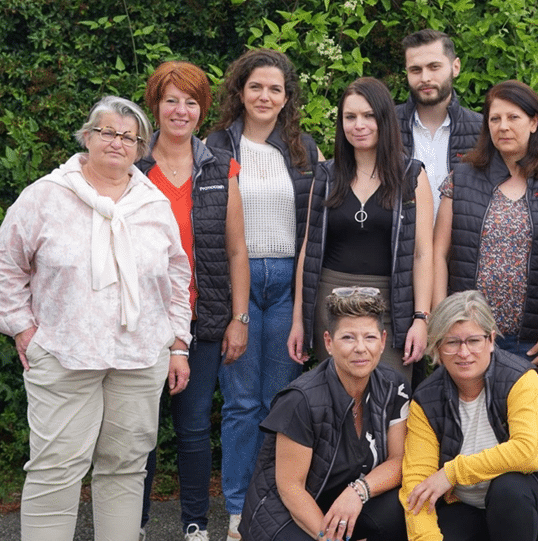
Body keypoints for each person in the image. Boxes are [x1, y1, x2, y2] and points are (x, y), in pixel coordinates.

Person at [0, 96, 191, 541]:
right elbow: (4, 266)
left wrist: (178, 343)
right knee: (55, 468)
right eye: (107, 132)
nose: (117, 142)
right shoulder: (45, 196)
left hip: (139, 358)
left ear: (141, 147)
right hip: (65, 354)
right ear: (88, 136)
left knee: (124, 468)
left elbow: (177, 278)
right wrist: (22, 327)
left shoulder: (153, 204)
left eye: (128, 136)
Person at [206, 48, 322, 541]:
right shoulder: (214, 146)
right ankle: (237, 508)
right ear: (240, 90)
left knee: (282, 401)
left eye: (275, 88)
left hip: (287, 283)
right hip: (241, 280)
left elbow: (315, 226)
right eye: (256, 86)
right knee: (240, 404)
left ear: (287, 97)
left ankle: (274, 503)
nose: (265, 96)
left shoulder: (304, 148)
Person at [137, 61, 249, 541]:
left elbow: (236, 248)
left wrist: (239, 317)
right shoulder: (133, 167)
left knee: (194, 429)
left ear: (202, 110)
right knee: (137, 431)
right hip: (139, 321)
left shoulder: (219, 167)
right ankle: (133, 524)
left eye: (191, 101)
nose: (180, 110)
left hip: (203, 320)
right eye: (171, 100)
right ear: (155, 106)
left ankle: (195, 525)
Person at [401, 290, 538, 541]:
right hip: (467, 507)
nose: (464, 353)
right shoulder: (426, 398)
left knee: (508, 489)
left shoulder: (521, 379)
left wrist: (451, 473)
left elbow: (528, 453)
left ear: (490, 340)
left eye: (474, 340)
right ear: (438, 347)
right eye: (452, 342)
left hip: (528, 508)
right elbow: (417, 483)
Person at [288, 77, 434, 383]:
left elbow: (422, 253)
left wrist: (421, 318)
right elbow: (308, 249)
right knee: (337, 399)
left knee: (392, 398)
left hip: (392, 305)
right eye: (350, 117)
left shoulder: (411, 176)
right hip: (331, 302)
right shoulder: (326, 175)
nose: (359, 125)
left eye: (368, 116)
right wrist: (299, 320)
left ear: (384, 120)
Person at [240, 288, 410, 541]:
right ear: (329, 342)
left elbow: (398, 461)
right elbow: (290, 489)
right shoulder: (300, 399)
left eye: (370, 337)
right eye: (348, 338)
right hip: (290, 511)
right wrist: (331, 539)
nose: (361, 348)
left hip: (347, 501)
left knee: (403, 509)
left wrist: (358, 491)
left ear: (383, 341)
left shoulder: (393, 384)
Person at [432, 80, 538, 369]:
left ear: (534, 122)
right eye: (495, 119)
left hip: (534, 340)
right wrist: (443, 324)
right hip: (467, 337)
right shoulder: (460, 179)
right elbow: (439, 254)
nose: (503, 126)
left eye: (513, 117)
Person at [396, 28, 483, 221]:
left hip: (460, 248)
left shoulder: (482, 130)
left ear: (456, 67)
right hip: (400, 248)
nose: (425, 78)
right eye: (415, 70)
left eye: (434, 67)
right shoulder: (387, 126)